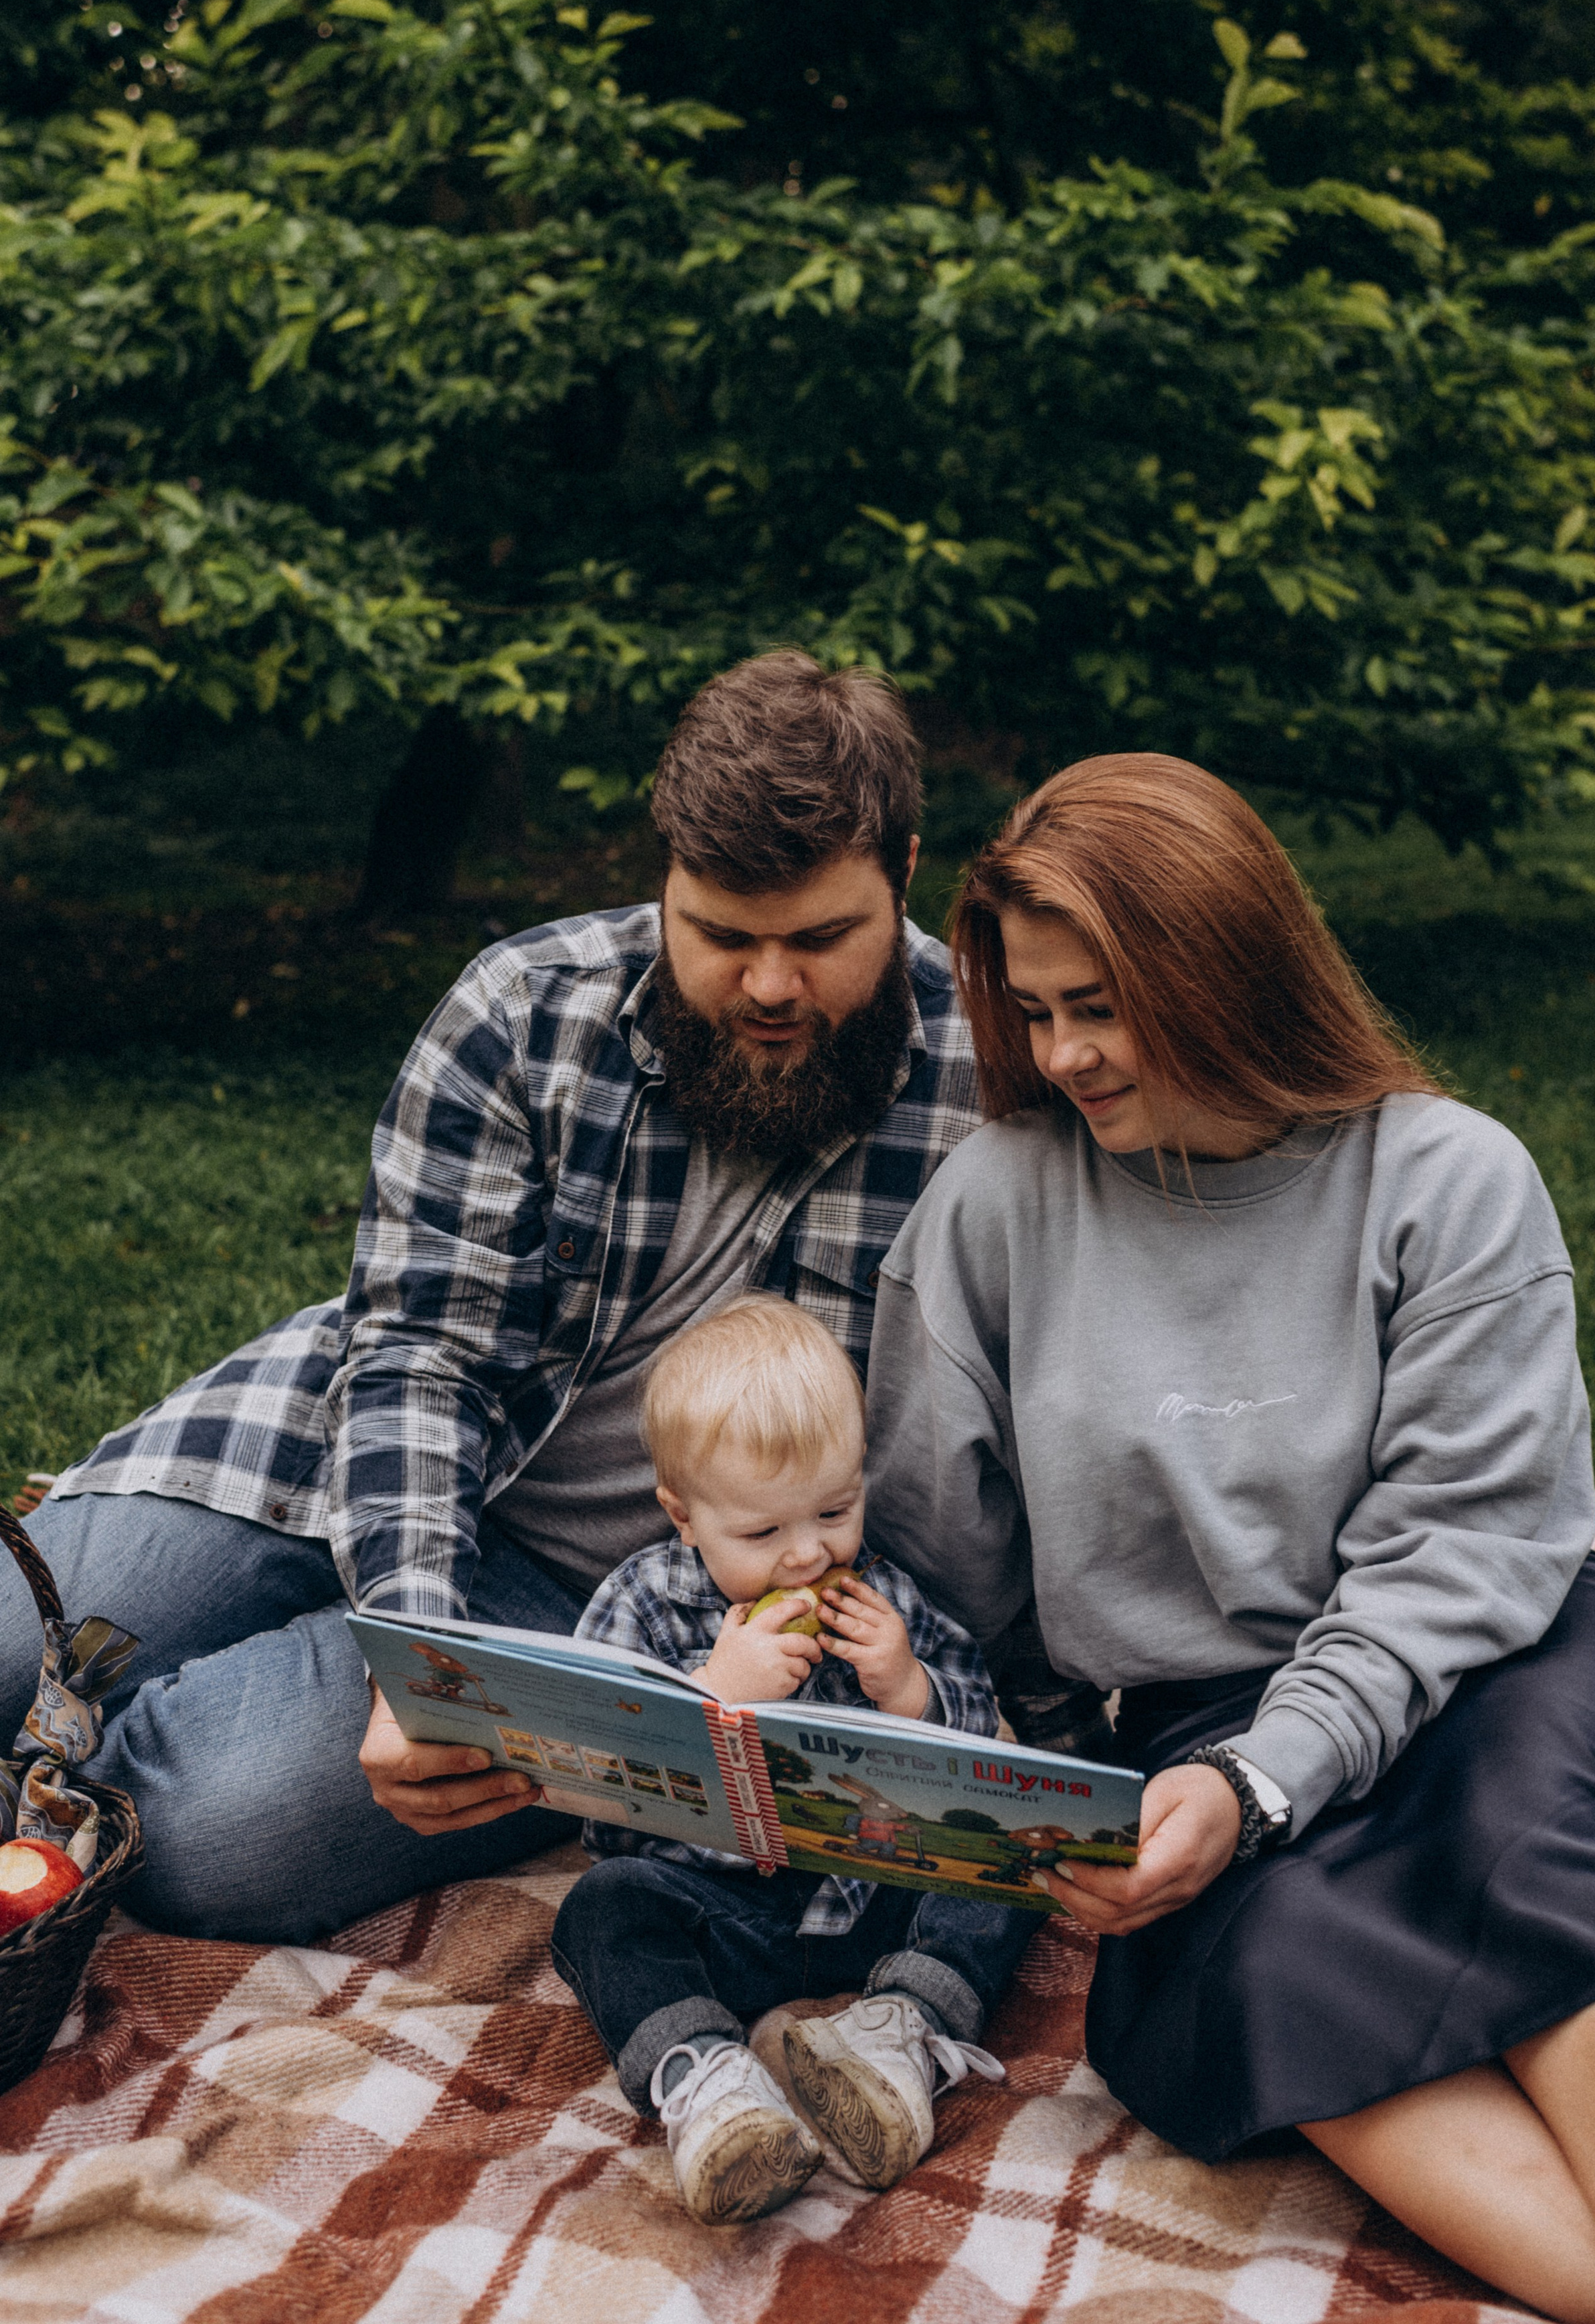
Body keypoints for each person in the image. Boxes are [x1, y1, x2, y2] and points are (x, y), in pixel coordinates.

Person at [863, 752, 1595, 2324]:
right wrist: (1045, 1786)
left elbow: (1465, 1548)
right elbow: (946, 1569)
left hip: (1497, 1658)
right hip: (1200, 1730)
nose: (1060, 1055)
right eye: (1033, 1010)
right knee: (1273, 1974)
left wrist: (1269, 1776)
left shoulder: (1446, 1178)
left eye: (1096, 1005)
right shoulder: (990, 1210)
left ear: (1221, 967)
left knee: (1527, 1862)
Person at [1, 653, 983, 1945]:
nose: (767, 987)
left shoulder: (991, 1079)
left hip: (614, 1602)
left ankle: (94, 1770)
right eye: (723, 936)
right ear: (664, 879)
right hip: (324, 1455)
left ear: (905, 874)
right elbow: (416, 1360)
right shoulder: (526, 1010)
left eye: (818, 940)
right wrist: (418, 1653)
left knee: (195, 1837)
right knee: (8, 1646)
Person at [552, 1293, 1032, 2224]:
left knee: (1009, 1866)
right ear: (684, 1518)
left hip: (873, 1894)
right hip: (722, 1909)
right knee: (602, 1911)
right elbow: (590, 1783)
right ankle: (710, 2084)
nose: (808, 1556)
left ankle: (897, 2039)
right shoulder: (645, 1605)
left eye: (834, 1510)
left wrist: (908, 1687)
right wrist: (712, 1693)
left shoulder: (880, 1592)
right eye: (763, 1534)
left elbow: (979, 1740)